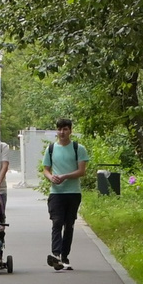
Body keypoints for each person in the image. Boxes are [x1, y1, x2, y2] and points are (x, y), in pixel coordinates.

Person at [39, 116, 90, 270]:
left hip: (73, 192)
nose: (62, 132)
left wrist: (65, 176)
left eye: (65, 129)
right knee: (57, 222)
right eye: (59, 129)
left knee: (69, 224)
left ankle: (64, 256)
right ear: (57, 131)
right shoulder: (51, 149)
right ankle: (55, 255)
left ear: (70, 131)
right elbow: (45, 169)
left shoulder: (78, 148)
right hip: (56, 193)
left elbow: (82, 171)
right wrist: (51, 177)